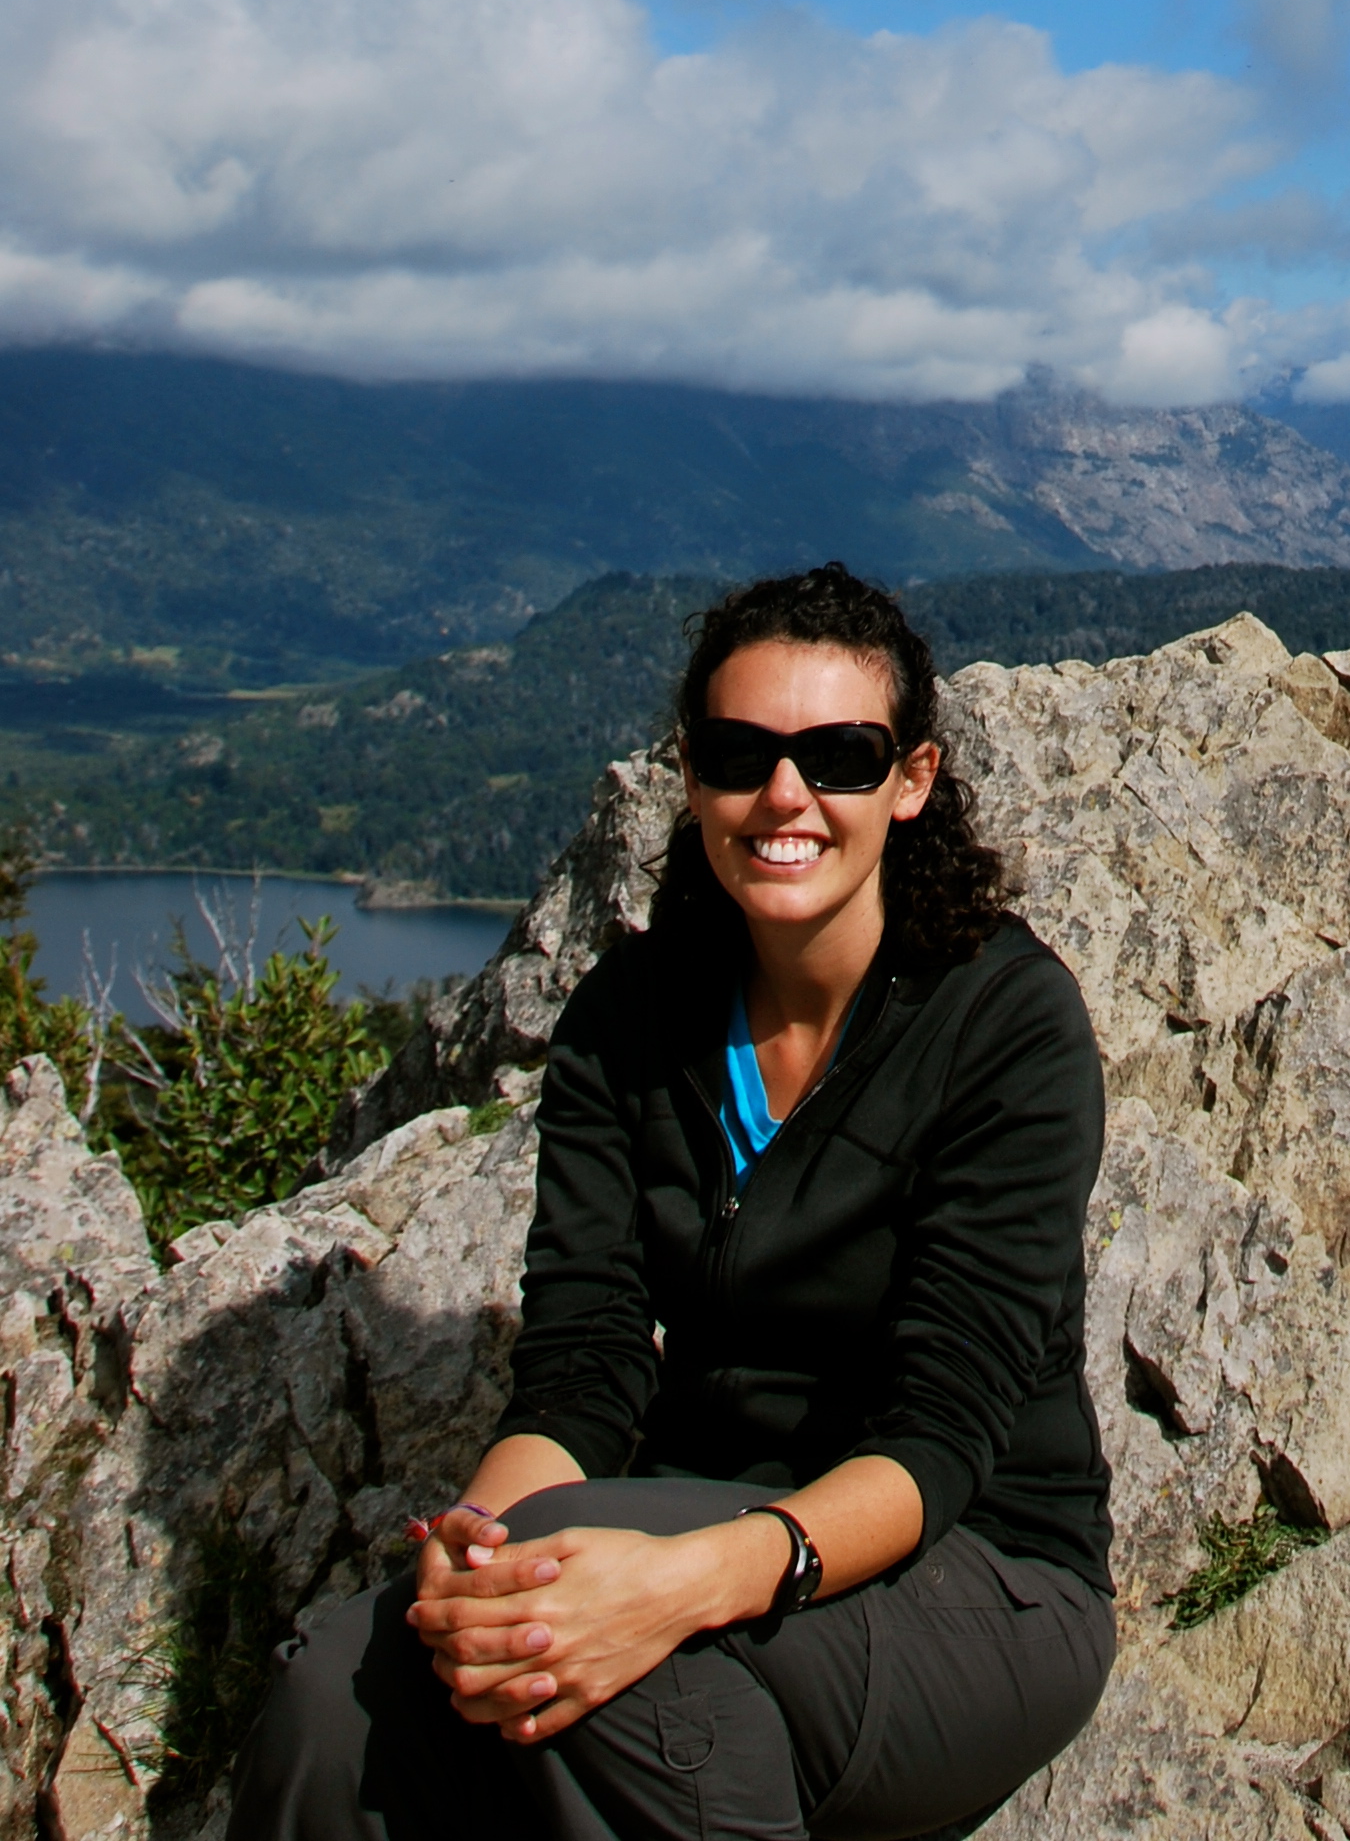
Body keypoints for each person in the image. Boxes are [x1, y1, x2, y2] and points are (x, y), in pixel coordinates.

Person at [229, 564, 1114, 1841]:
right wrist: (482, 1539)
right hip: (693, 1508)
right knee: (339, 1693)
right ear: (692, 775)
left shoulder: (1003, 1024)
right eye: (741, 753)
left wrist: (683, 1582)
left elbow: (942, 1434)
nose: (786, 793)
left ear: (911, 779)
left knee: (634, 1674)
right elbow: (583, 1364)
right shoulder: (629, 1019)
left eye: (841, 756)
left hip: (976, 1568)